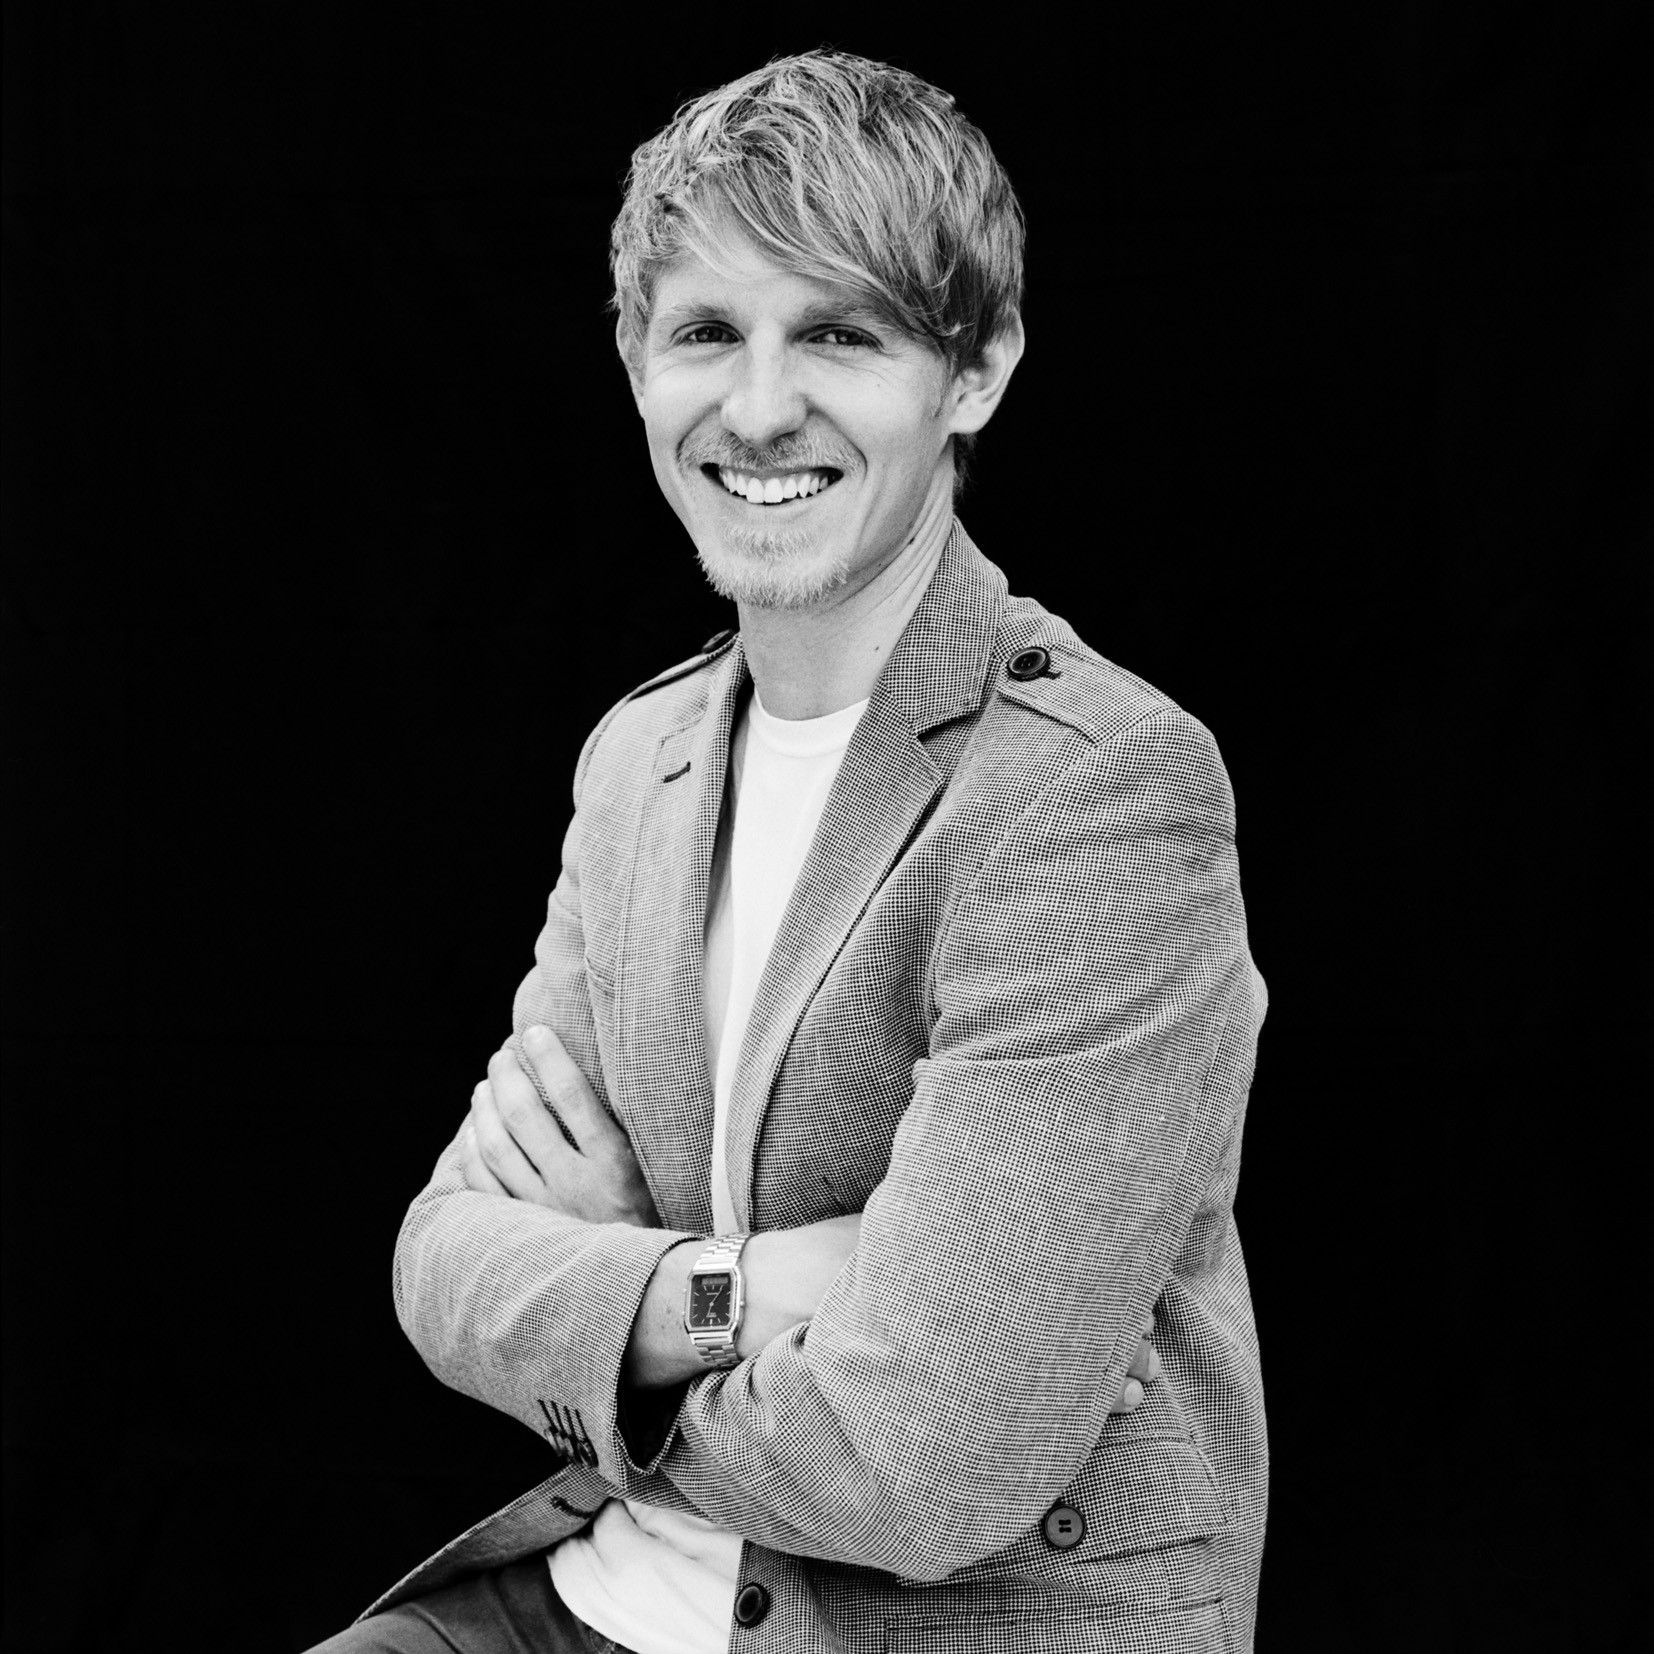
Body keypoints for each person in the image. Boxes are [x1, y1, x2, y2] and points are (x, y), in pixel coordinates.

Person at [312, 49, 1267, 1654]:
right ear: (635, 360)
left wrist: (607, 1305)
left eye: (838, 333)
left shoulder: (1094, 791)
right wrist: (738, 1289)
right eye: (707, 332)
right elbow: (443, 1264)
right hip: (585, 1596)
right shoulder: (641, 759)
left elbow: (918, 1465)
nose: (758, 409)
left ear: (974, 371)